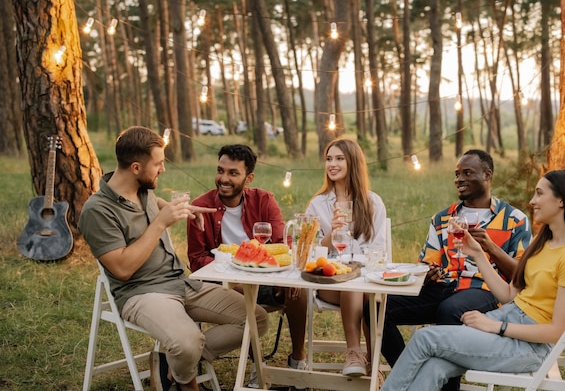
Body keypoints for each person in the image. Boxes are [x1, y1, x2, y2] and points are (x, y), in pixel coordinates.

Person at [78, 127, 269, 391]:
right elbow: (121, 269)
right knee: (187, 341)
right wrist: (160, 224)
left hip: (182, 283)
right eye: (158, 164)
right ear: (135, 167)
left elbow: (155, 205)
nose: (163, 169)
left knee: (256, 318)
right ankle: (185, 382)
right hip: (142, 293)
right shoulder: (97, 211)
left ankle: (174, 361)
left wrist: (182, 210)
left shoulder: (143, 192)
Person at [381, 168, 565, 390]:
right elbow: (509, 295)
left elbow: (557, 331)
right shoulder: (544, 243)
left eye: (539, 193)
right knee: (434, 366)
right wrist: (478, 253)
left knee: (424, 339)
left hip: (528, 346)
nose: (532, 200)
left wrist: (496, 326)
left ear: (562, 201)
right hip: (509, 319)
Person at [365, 149, 531, 391]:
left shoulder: (514, 219)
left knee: (450, 310)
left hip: (486, 290)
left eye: (467, 173)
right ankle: (412, 373)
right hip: (445, 286)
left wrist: (491, 248)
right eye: (456, 174)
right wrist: (428, 275)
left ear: (487, 175)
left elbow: (522, 274)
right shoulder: (443, 219)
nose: (459, 179)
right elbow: (427, 263)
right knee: (375, 306)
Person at [186, 144, 309, 385]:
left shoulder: (264, 200)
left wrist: (289, 278)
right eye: (220, 170)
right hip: (222, 283)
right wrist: (233, 274)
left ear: (248, 178)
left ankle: (297, 360)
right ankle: (258, 366)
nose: (223, 179)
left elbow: (282, 243)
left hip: (263, 278)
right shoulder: (201, 206)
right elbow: (196, 259)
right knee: (246, 302)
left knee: (299, 293)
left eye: (233, 173)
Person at [306, 138, 387, 378]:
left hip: (367, 279)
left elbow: (379, 250)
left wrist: (359, 268)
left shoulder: (373, 202)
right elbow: (310, 252)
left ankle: (372, 361)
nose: (332, 164)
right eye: (329, 159)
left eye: (339, 158)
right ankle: (355, 352)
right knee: (350, 281)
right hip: (330, 281)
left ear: (353, 162)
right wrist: (331, 234)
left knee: (359, 282)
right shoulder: (318, 204)